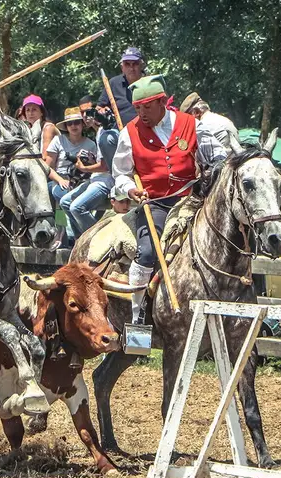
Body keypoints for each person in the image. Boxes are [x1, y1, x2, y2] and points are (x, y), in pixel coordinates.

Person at [111, 75, 226, 324]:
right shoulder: (129, 133)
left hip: (193, 199)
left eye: (147, 107)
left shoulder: (191, 124)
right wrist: (131, 190)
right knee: (147, 251)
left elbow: (218, 157)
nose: (141, 113)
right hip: (156, 203)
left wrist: (211, 174)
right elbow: (120, 172)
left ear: (162, 101)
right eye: (138, 108)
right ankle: (137, 314)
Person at [58, 100, 113, 242]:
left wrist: (83, 168)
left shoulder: (99, 137)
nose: (73, 126)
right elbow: (47, 163)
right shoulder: (59, 140)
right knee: (61, 199)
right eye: (69, 124)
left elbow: (104, 166)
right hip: (72, 180)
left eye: (76, 122)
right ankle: (72, 238)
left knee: (74, 205)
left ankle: (94, 239)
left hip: (97, 179)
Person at [98, 47, 145, 125]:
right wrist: (102, 112)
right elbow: (99, 107)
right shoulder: (113, 83)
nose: (131, 68)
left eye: (135, 63)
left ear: (142, 65)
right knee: (107, 137)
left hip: (148, 129)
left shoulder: (150, 83)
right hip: (119, 131)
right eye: (127, 64)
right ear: (122, 67)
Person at [20, 94, 60, 167]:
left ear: (42, 112)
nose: (30, 113)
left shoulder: (48, 128)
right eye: (27, 110)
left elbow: (45, 157)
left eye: (34, 109)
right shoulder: (29, 130)